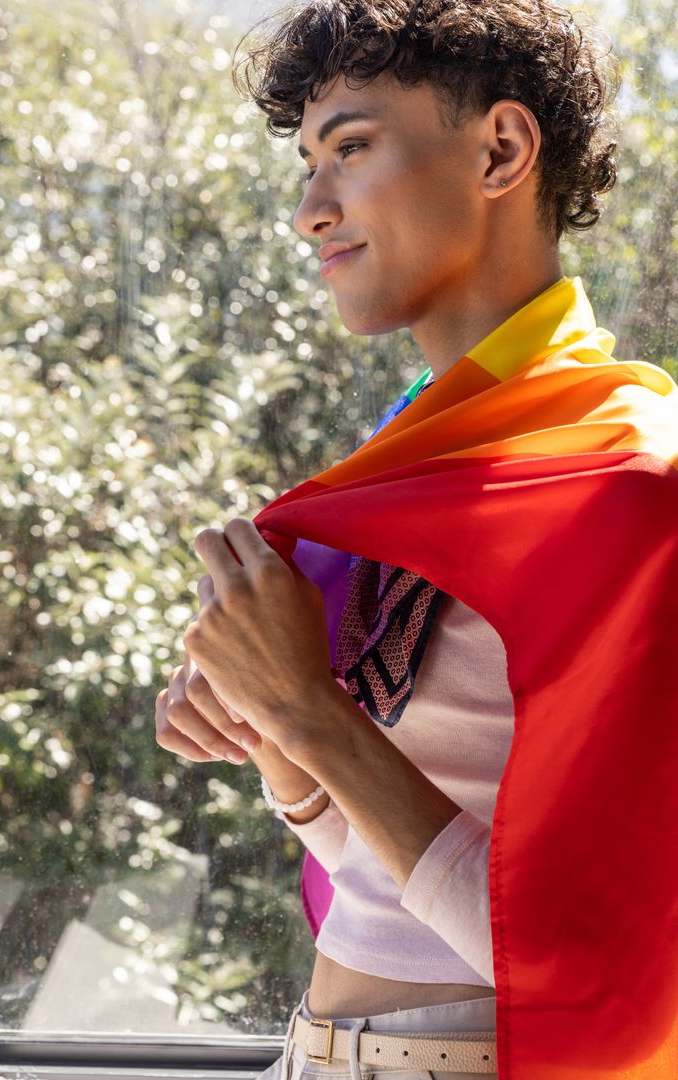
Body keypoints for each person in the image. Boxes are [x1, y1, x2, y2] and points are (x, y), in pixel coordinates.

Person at [155, 2, 678, 1077]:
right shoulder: (405, 467)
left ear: (501, 150)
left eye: (350, 147)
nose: (309, 211)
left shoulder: (632, 489)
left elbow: (590, 973)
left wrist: (312, 714)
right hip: (315, 1052)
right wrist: (275, 727)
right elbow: (373, 875)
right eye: (307, 165)